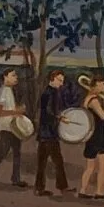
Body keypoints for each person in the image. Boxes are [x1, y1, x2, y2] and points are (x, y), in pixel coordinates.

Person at [0, 68, 29, 189]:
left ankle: (16, 178)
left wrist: (17, 111)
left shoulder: (9, 91)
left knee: (16, 153)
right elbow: (0, 112)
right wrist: (16, 111)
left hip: (13, 127)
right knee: (2, 153)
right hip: (6, 128)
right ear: (5, 77)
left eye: (15, 75)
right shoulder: (3, 91)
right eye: (13, 75)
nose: (16, 77)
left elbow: (8, 109)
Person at [33, 68, 72, 197]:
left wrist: (58, 116)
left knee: (44, 162)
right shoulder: (50, 93)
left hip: (46, 133)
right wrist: (59, 118)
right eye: (59, 80)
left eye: (62, 81)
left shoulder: (49, 92)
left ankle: (42, 188)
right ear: (52, 79)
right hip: (48, 134)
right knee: (55, 161)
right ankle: (60, 187)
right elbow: (49, 112)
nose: (61, 83)